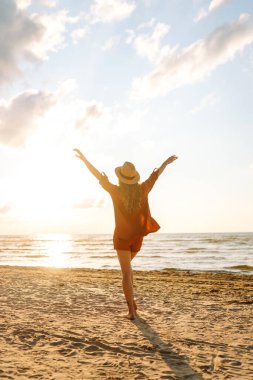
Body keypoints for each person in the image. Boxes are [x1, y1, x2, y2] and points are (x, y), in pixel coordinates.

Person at [74, 149, 178, 320]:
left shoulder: (115, 191)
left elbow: (97, 175)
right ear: (134, 177)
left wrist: (84, 159)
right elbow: (156, 175)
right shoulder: (143, 189)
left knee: (126, 273)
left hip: (122, 237)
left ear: (121, 177)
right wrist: (166, 162)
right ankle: (133, 304)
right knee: (128, 272)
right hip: (138, 237)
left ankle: (131, 312)